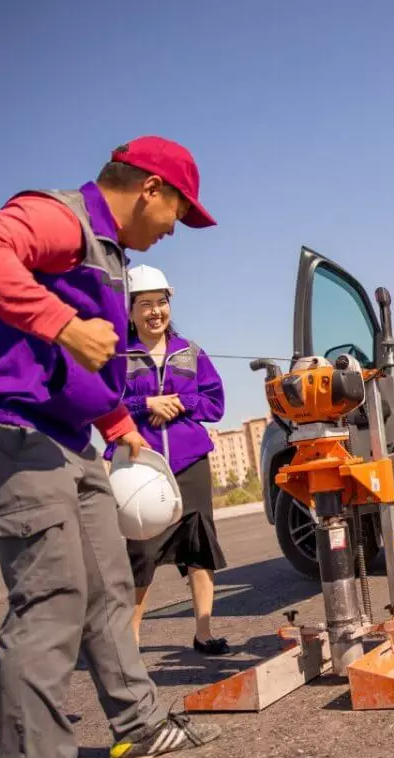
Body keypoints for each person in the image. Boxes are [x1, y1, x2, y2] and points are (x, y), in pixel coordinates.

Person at [0, 136, 222, 758]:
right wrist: (64, 322)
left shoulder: (110, 259)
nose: (175, 226)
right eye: (178, 209)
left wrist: (120, 428)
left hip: (67, 438)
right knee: (53, 597)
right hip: (2, 429)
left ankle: (139, 725)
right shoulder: (62, 217)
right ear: (150, 188)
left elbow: (73, 368)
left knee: (109, 584)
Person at [104, 264, 230, 656]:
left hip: (190, 461)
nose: (155, 311)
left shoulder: (190, 352)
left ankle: (204, 633)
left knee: (199, 545)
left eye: (161, 302)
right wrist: (145, 404)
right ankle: (131, 641)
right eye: (145, 304)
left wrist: (179, 403)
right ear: (129, 311)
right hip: (138, 465)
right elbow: (103, 403)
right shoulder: (116, 355)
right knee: (140, 552)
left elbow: (215, 403)